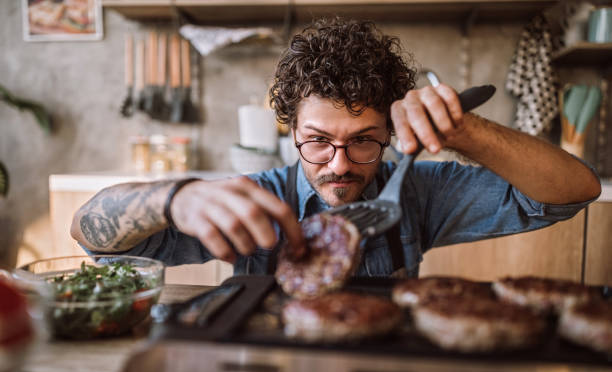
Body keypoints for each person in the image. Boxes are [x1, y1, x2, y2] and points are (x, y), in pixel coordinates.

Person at [71, 18, 601, 278]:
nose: (341, 165)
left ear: (390, 135)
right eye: (318, 142)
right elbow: (93, 237)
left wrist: (464, 131)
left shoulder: (417, 191)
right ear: (291, 131)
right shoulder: (256, 197)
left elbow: (574, 191)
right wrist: (174, 198)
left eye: (364, 141)